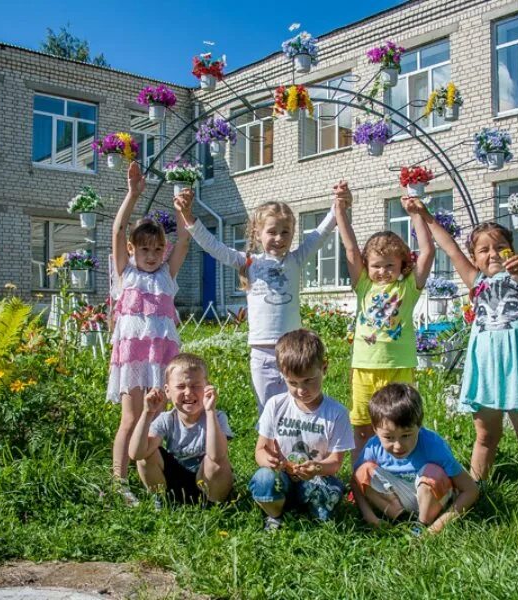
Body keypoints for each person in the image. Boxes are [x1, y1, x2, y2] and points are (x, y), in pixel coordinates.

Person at [408, 196, 518, 526]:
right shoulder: (476, 281)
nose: (493, 254)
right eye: (483, 250)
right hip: (487, 371)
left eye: (500, 246)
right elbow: (449, 246)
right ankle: (475, 494)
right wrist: (424, 214)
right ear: (475, 259)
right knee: (485, 438)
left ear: (512, 249)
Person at [176, 184, 348, 414]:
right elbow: (214, 247)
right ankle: (267, 448)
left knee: (297, 407)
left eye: (285, 232)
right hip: (262, 352)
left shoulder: (296, 259)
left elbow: (320, 234)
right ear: (257, 233)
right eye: (272, 232)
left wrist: (338, 205)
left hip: (293, 350)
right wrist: (188, 217)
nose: (279, 238)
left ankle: (295, 446)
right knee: (267, 410)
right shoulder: (248, 262)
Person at [108, 161, 191, 505]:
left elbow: (184, 241)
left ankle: (161, 478)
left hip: (163, 358)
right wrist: (132, 194)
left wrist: (186, 210)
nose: (152, 255)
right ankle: (118, 481)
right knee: (131, 416)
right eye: (144, 249)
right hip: (132, 359)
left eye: (158, 249)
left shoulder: (166, 275)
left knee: (161, 416)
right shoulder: (125, 273)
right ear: (131, 250)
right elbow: (117, 230)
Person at [334, 193, 435, 462]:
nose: (382, 271)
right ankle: (361, 474)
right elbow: (351, 249)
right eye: (376, 266)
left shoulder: (408, 287)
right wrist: (341, 210)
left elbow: (428, 251)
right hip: (365, 366)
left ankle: (402, 468)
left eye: (390, 265)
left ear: (403, 264)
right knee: (363, 426)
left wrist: (414, 213)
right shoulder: (363, 285)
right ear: (367, 266)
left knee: (403, 423)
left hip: (399, 366)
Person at [248, 329, 354, 531]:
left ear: (324, 368)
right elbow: (260, 449)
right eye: (292, 383)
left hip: (316, 478)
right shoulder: (275, 405)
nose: (301, 390)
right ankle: (275, 515)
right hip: (283, 477)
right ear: (283, 376)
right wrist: (269, 461)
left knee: (328, 493)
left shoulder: (336, 413)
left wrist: (317, 468)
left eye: (308, 380)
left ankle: (305, 508)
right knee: (264, 478)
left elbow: (335, 462)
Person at [352, 383, 478, 533]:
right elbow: (356, 482)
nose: (398, 446)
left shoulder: (433, 446)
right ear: (375, 429)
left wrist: (437, 527)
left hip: (433, 496)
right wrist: (370, 516)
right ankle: (400, 517)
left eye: (406, 435)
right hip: (401, 496)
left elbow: (470, 490)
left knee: (431, 472)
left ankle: (422, 524)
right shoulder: (373, 447)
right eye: (389, 437)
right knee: (363, 471)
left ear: (419, 425)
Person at [129, 353, 234, 506]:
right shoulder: (166, 419)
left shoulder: (217, 417)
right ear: (167, 391)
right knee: (146, 455)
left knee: (216, 462)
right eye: (180, 386)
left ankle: (214, 505)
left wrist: (210, 411)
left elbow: (217, 456)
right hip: (176, 482)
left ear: (207, 388)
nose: (188, 392)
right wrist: (147, 413)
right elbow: (136, 453)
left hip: (207, 480)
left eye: (195, 386)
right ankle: (162, 500)